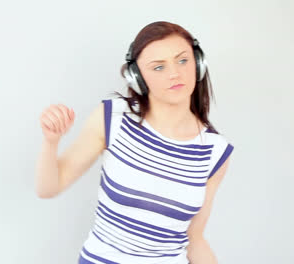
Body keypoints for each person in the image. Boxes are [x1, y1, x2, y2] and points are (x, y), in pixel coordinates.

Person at [36, 21, 234, 264]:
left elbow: (195, 238)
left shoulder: (215, 151)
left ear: (199, 64)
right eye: (158, 67)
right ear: (138, 78)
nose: (175, 73)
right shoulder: (113, 118)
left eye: (183, 60)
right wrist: (51, 142)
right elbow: (48, 189)